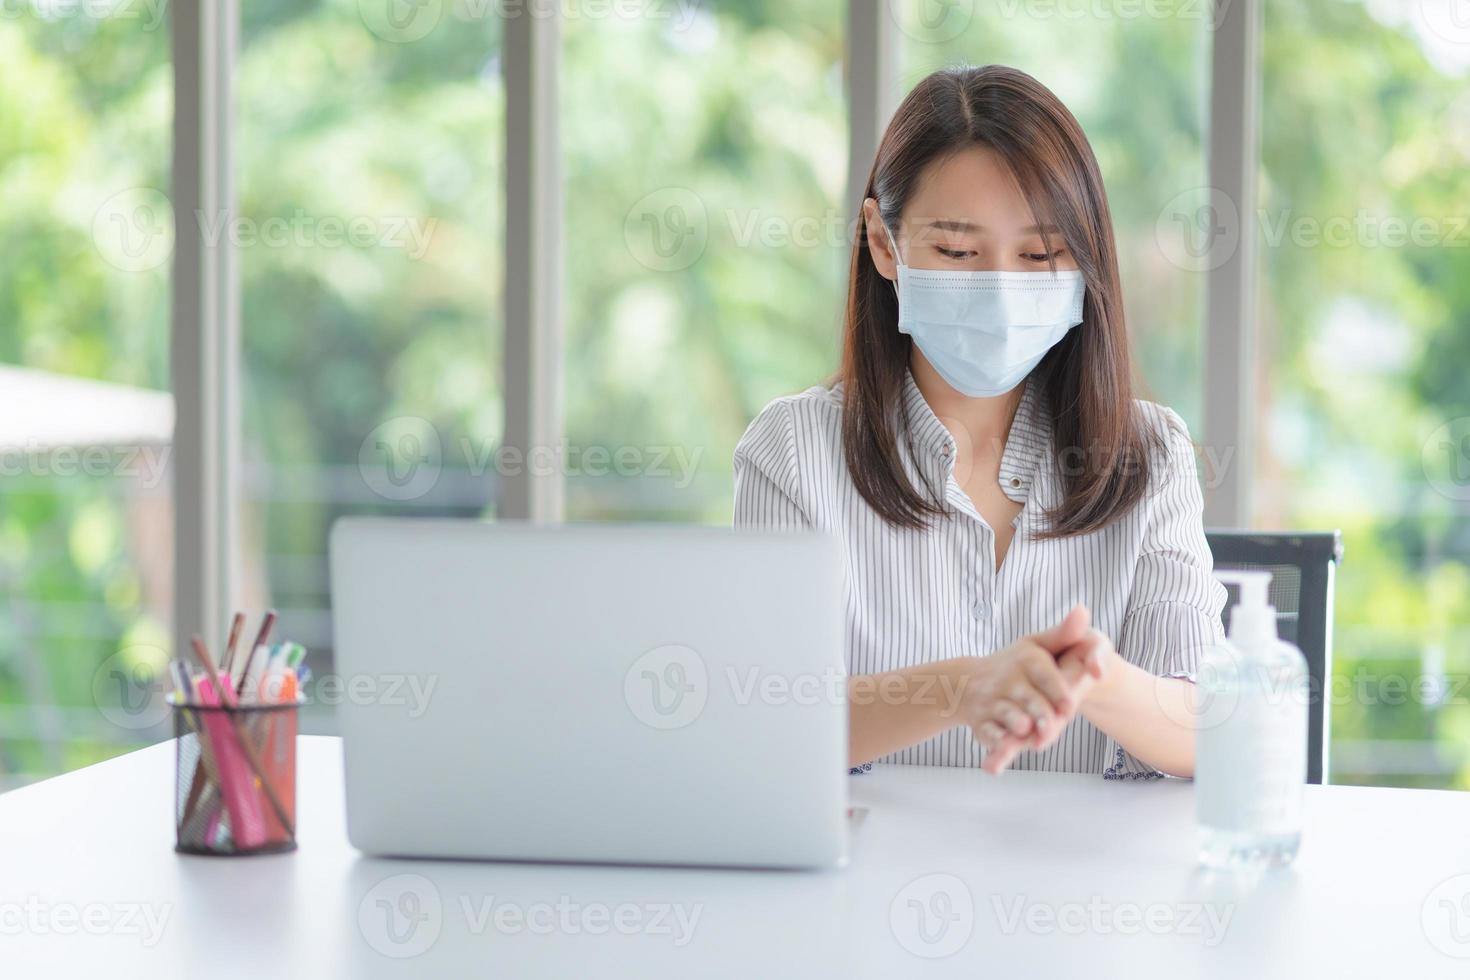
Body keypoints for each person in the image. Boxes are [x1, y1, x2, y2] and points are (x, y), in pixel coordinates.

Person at [733, 65, 1226, 779]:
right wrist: (962, 687)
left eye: (1040, 254)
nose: (1001, 286)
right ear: (882, 243)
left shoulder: (1149, 454)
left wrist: (1087, 677)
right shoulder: (793, 453)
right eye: (959, 252)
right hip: (869, 886)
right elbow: (760, 728)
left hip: (1095, 887)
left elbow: (1205, 736)